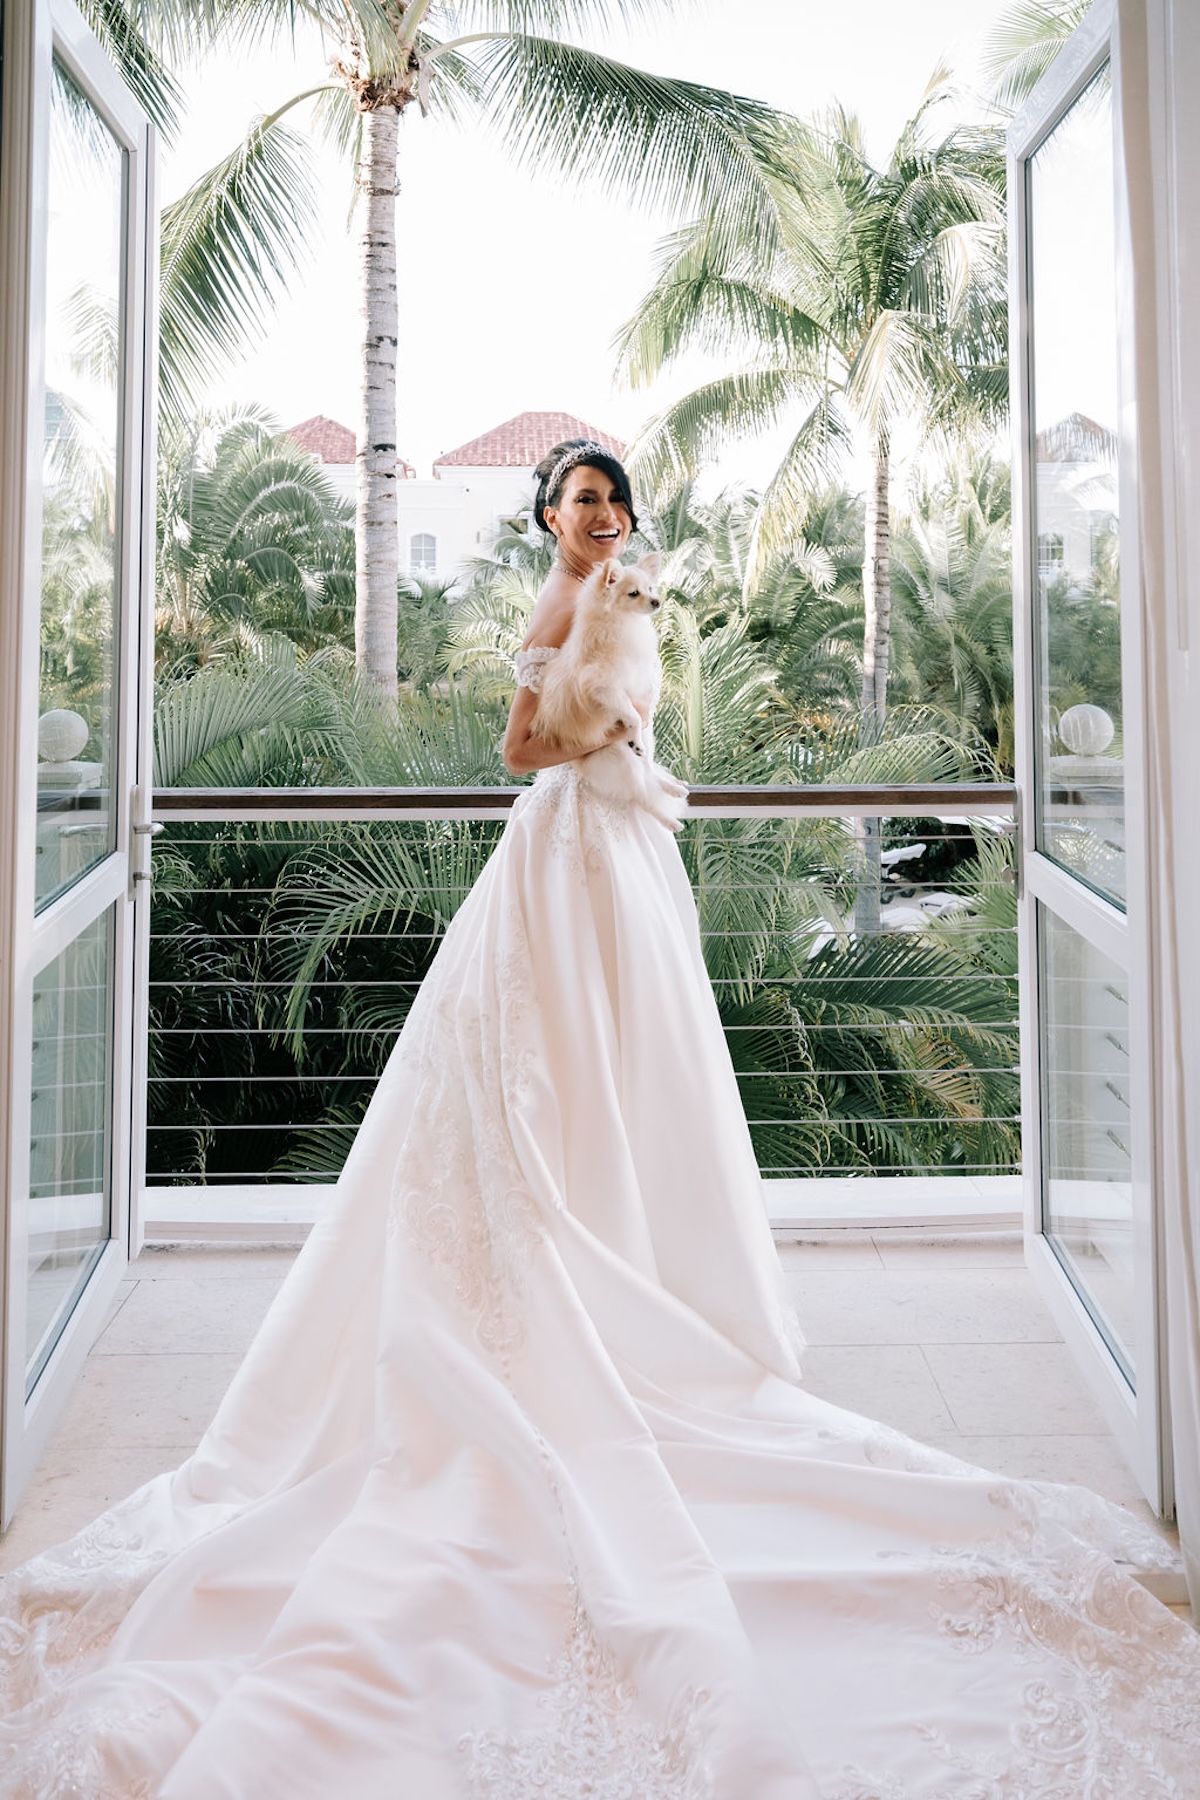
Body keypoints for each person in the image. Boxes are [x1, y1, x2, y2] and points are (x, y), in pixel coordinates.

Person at [0, 439, 1197, 1800]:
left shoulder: (636, 601)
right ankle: (549, 1277)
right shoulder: (559, 607)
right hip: (561, 859)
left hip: (628, 862)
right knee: (535, 1076)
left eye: (613, 501)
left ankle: (635, 1258)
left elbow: (621, 719)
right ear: (547, 519)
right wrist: (597, 731)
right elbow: (520, 748)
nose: (599, 518)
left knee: (635, 1073)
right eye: (579, 502)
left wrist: (634, 734)